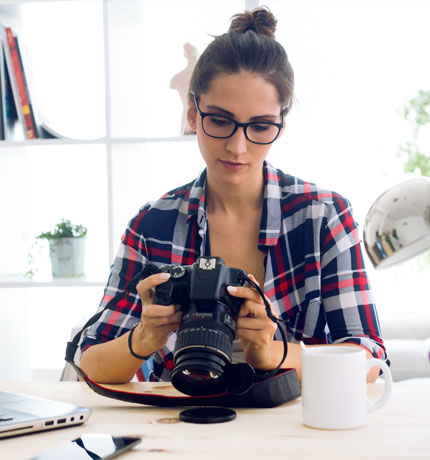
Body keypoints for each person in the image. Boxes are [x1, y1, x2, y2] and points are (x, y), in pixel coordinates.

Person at [80, 7, 388, 385]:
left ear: (281, 125)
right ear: (193, 114)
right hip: (180, 425)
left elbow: (370, 357)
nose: (237, 147)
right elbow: (90, 361)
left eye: (259, 126)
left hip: (299, 429)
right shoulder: (153, 225)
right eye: (220, 121)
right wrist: (145, 338)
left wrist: (271, 352)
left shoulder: (323, 216)